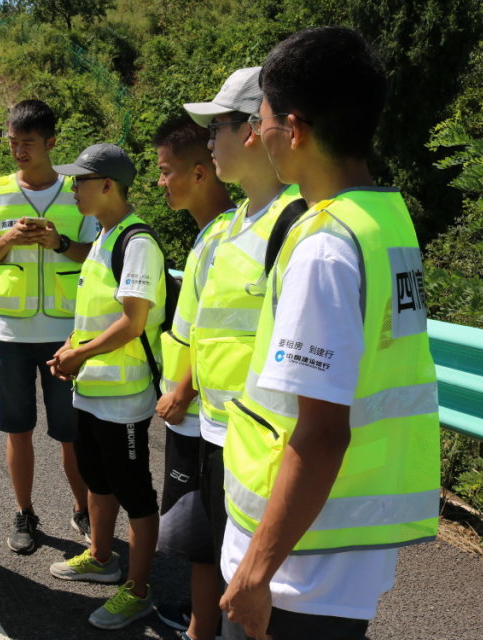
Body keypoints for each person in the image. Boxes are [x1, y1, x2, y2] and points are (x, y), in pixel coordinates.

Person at [218, 27, 440, 640]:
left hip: (296, 574)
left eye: (260, 118)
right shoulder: (384, 218)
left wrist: (257, 571)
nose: (257, 133)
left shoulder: (325, 248)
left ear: (293, 129)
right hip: (338, 556)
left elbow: (320, 434)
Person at [183, 66, 302, 604]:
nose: (209, 142)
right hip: (217, 430)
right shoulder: (232, 224)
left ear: (253, 128)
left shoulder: (296, 222)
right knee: (221, 566)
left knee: (260, 597)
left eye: (216, 128)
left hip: (262, 447)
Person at [46, 143, 165, 631]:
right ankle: (101, 557)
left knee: (135, 491)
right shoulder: (102, 234)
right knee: (96, 477)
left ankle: (138, 590)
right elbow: (96, 314)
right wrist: (70, 348)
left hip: (124, 396)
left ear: (108, 185)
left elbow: (132, 322)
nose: (73, 188)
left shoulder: (137, 242)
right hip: (93, 389)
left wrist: (79, 354)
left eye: (81, 180)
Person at [0, 99, 93, 554]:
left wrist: (59, 243)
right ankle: (24, 512)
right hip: (11, 334)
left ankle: (83, 510)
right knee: (17, 429)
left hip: (67, 334)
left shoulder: (76, 191)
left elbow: (97, 254)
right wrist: (8, 238)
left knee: (71, 434)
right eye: (12, 142)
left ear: (51, 143)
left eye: (27, 143)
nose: (18, 151)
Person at [149, 115, 236, 640]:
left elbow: (228, 332)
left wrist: (184, 389)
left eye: (166, 170)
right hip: (197, 414)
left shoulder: (228, 237)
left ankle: (206, 626)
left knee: (208, 536)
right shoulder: (212, 233)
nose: (161, 181)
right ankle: (203, 618)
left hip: (206, 417)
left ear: (200, 172)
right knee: (202, 538)